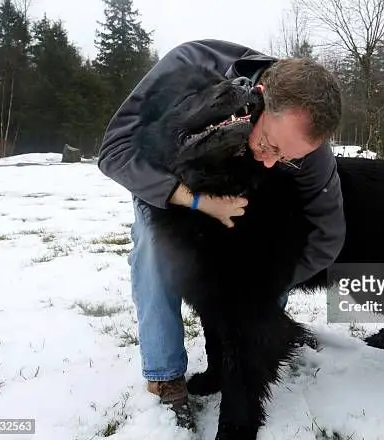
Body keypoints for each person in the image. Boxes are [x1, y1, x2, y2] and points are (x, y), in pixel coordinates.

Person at [97, 39, 345, 429]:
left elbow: (328, 235)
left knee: (256, 281)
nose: (270, 160)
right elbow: (114, 151)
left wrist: (263, 288)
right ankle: (166, 376)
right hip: (166, 183)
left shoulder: (306, 148)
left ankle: (255, 349)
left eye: (285, 158)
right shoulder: (190, 65)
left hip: (238, 192)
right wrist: (192, 201)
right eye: (270, 145)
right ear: (258, 99)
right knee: (151, 248)